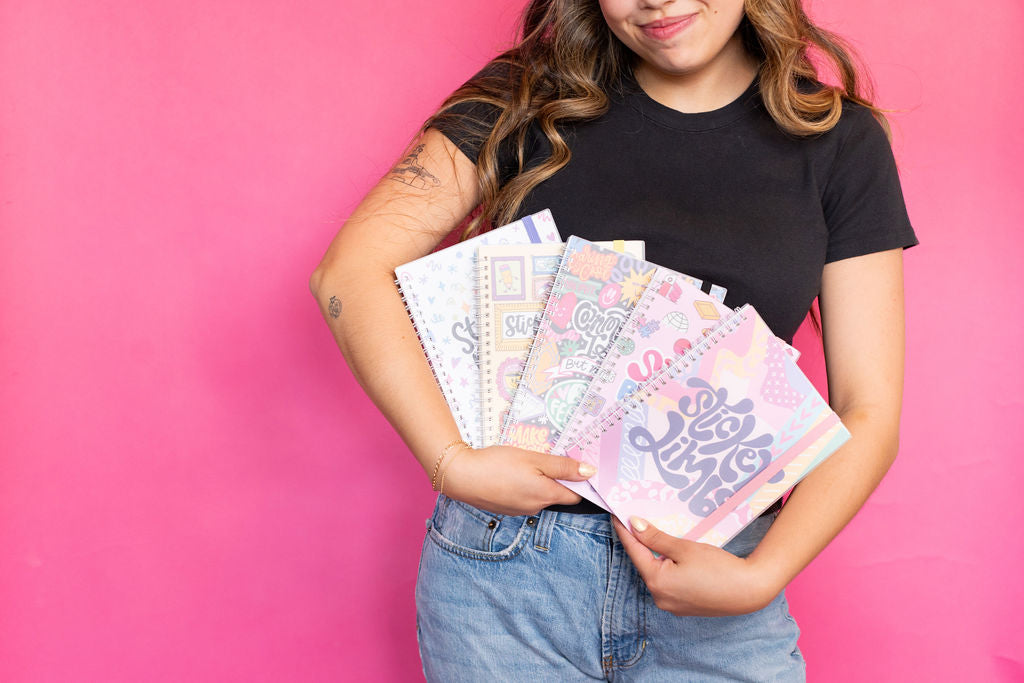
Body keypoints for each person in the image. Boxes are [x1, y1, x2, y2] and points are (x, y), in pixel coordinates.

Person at [310, 0, 918, 679]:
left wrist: (761, 574)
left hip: (721, 568)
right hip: (506, 570)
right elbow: (349, 271)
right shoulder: (526, 96)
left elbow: (868, 406)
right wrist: (449, 461)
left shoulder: (839, 139)